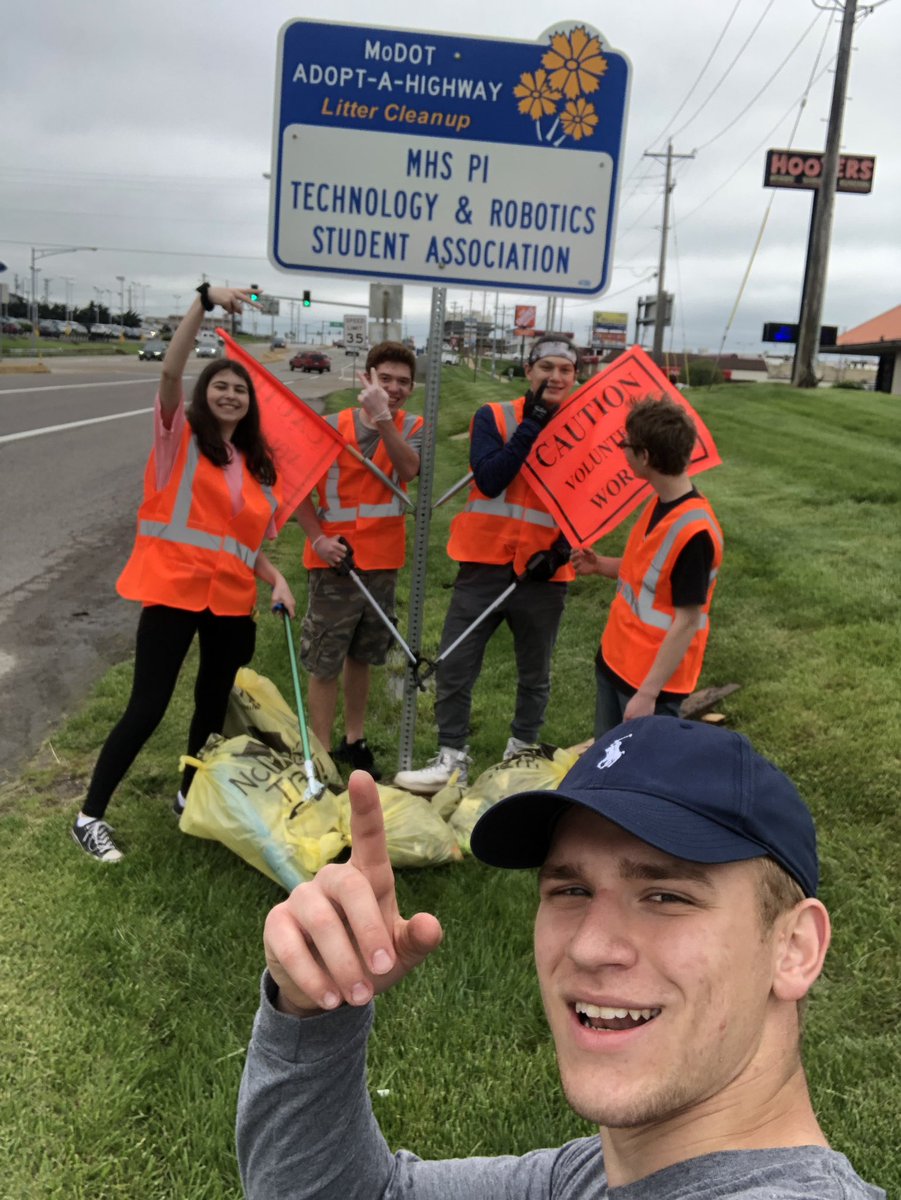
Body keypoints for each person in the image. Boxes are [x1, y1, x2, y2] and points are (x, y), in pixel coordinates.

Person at [237, 717, 884, 1199]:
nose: (589, 945)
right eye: (570, 890)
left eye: (666, 896)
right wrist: (313, 1010)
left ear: (794, 949)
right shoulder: (592, 1175)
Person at [70, 284, 295, 863]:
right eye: (221, 385)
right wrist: (203, 301)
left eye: (240, 389)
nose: (230, 394)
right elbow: (170, 371)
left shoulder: (255, 466)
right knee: (147, 706)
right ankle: (89, 816)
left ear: (250, 404)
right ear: (204, 393)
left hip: (231, 602)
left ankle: (188, 794)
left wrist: (276, 579)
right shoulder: (180, 438)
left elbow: (243, 546)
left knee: (211, 705)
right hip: (174, 591)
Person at [393, 334, 578, 795]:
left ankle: (522, 753)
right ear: (528, 371)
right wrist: (532, 426)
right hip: (484, 563)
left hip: (544, 572)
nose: (556, 377)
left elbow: (595, 501)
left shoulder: (583, 429)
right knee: (456, 663)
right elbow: (491, 478)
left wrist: (561, 550)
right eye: (547, 367)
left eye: (566, 370)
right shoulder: (493, 416)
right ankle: (451, 758)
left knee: (535, 671)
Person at [294, 342, 422, 781]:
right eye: (385, 379)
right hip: (334, 563)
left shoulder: (412, 426)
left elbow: (408, 470)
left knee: (363, 655)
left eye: (403, 382)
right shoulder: (330, 427)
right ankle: (322, 751)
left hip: (382, 563)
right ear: (366, 377)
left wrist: (384, 418)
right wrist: (318, 539)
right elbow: (297, 491)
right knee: (325, 658)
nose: (394, 388)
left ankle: (355, 738)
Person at [572, 396, 723, 738]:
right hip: (616, 663)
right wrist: (600, 565)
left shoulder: (694, 533)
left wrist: (647, 695)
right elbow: (646, 574)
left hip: (649, 687)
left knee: (638, 767)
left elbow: (687, 621)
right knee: (607, 759)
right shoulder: (660, 503)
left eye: (625, 444)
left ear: (645, 456)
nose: (622, 451)